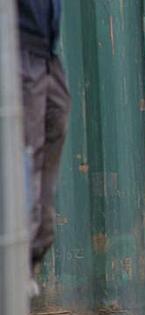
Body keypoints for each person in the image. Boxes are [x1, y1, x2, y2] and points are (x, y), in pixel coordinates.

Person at [18, 0, 71, 269]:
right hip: (19, 43)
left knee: (56, 121)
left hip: (46, 49)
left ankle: (35, 245)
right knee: (25, 149)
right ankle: (19, 251)